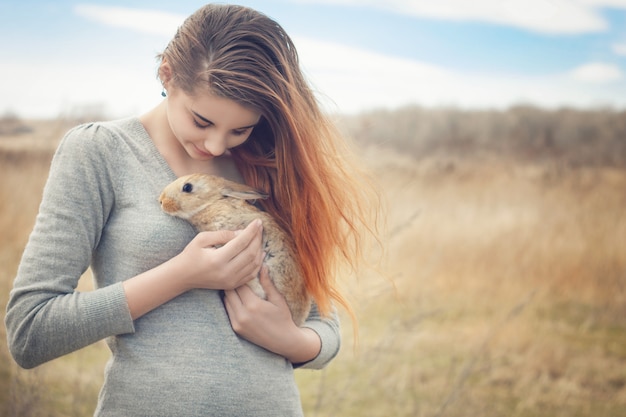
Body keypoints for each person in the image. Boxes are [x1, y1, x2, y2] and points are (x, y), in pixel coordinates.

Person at [5, 3, 380, 416]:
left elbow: (322, 326)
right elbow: (30, 331)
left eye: (240, 129)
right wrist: (181, 276)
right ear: (166, 73)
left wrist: (291, 341)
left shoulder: (270, 162)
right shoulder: (99, 151)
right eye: (201, 120)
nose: (217, 146)